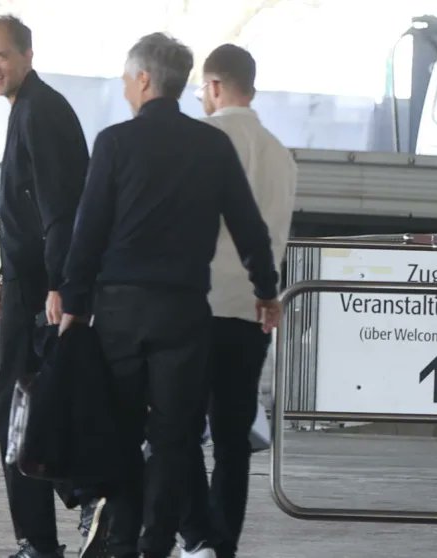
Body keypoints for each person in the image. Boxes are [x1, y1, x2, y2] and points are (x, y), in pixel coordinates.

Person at [59, 32, 282, 558]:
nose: (123, 87)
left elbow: (87, 233)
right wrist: (266, 290)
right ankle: (158, 543)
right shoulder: (211, 145)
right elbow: (249, 228)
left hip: (119, 311)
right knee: (173, 437)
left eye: (125, 78)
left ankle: (120, 541)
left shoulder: (114, 143)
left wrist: (73, 304)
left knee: (122, 429)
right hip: (184, 311)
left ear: (142, 79)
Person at [177, 44, 296, 558]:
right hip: (252, 309)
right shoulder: (280, 154)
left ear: (216, 86)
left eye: (202, 88)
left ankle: (196, 532)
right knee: (232, 440)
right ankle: (220, 544)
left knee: (175, 429)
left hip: (196, 307)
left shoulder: (200, 142)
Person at [0, 14, 89, 558]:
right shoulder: (28, 108)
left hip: (40, 293)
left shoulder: (40, 112)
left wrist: (57, 283)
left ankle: (41, 540)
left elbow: (58, 209)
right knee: (32, 410)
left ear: (26, 55)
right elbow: (24, 210)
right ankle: (45, 531)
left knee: (22, 415)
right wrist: (4, 272)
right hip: (26, 283)